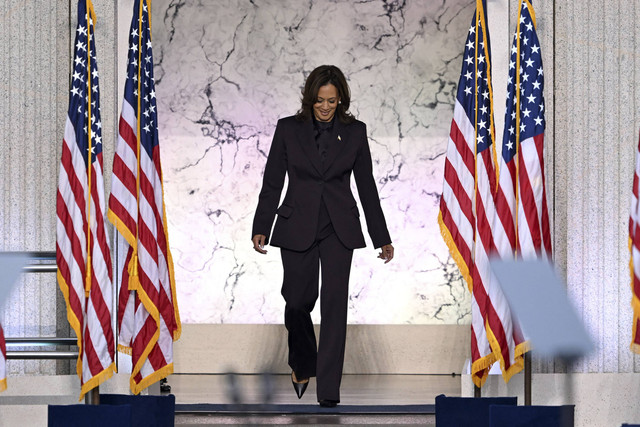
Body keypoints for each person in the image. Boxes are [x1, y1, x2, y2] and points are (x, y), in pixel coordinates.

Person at [251, 65, 394, 408]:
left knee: (334, 308)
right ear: (309, 99)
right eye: (319, 101)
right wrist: (261, 225)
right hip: (296, 223)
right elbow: (272, 181)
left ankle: (328, 392)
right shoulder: (288, 129)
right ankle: (302, 362)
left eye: (332, 100)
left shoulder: (355, 132)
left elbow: (367, 186)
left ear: (341, 98)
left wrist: (381, 237)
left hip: (337, 228)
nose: (326, 107)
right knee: (297, 301)